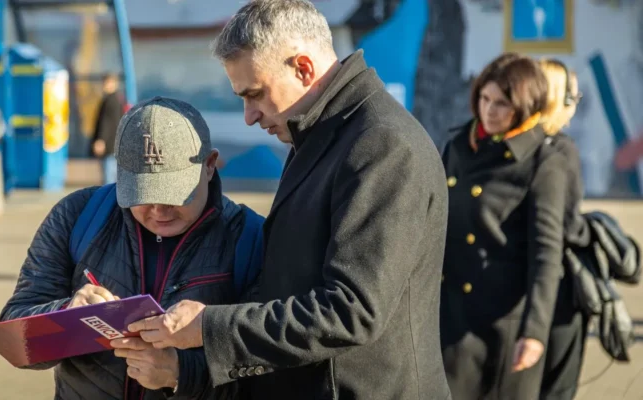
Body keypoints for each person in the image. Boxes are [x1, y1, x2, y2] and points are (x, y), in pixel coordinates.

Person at [127, 1, 451, 399]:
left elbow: (350, 312)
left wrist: (210, 327)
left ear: (303, 69)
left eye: (256, 94)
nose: (249, 115)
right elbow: (288, 280)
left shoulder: (381, 144)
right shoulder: (324, 134)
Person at [0, 96, 262, 400]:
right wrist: (65, 315)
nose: (159, 211)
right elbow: (16, 343)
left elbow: (273, 365)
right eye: (143, 194)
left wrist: (183, 374)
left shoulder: (250, 236)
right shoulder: (77, 215)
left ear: (210, 166)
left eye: (175, 195)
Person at [438, 52, 583, 399]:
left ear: (525, 106)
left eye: (502, 103)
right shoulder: (459, 146)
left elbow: (547, 254)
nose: (490, 110)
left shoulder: (543, 161)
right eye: (484, 99)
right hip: (449, 315)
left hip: (502, 326)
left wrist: (534, 332)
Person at [537, 58, 591, 400]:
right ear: (562, 100)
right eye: (574, 95)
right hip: (556, 295)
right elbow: (569, 227)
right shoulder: (561, 151)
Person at [91, 73, 124, 185]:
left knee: (109, 179)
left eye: (107, 83)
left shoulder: (111, 100)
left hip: (109, 145)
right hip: (113, 145)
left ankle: (110, 202)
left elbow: (107, 123)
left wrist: (101, 140)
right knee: (111, 177)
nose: (104, 85)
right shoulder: (116, 99)